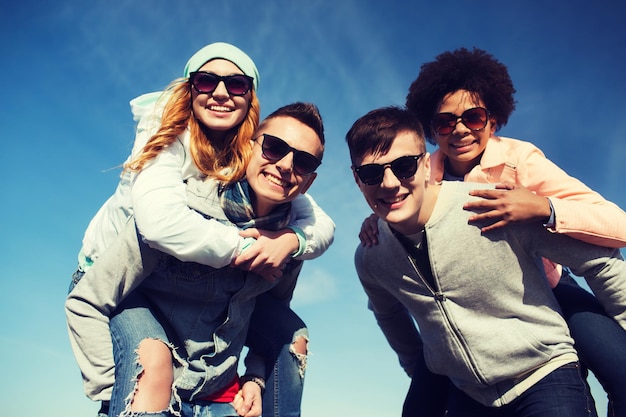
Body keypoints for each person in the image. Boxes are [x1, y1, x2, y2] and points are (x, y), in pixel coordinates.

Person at [67, 42, 334, 417]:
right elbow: (157, 223)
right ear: (255, 146)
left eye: (303, 161)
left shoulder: (286, 232)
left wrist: (293, 241)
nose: (287, 165)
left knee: (293, 335)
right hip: (109, 275)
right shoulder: (175, 167)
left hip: (211, 377)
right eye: (274, 148)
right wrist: (115, 393)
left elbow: (317, 231)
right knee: (152, 363)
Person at [358, 47, 626, 416]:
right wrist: (377, 220)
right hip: (472, 316)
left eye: (474, 116)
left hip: (547, 285)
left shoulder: (521, 160)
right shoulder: (421, 171)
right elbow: (395, 195)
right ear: (432, 132)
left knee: (620, 370)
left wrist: (544, 208)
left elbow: (617, 225)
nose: (461, 129)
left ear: (493, 120)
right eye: (445, 123)